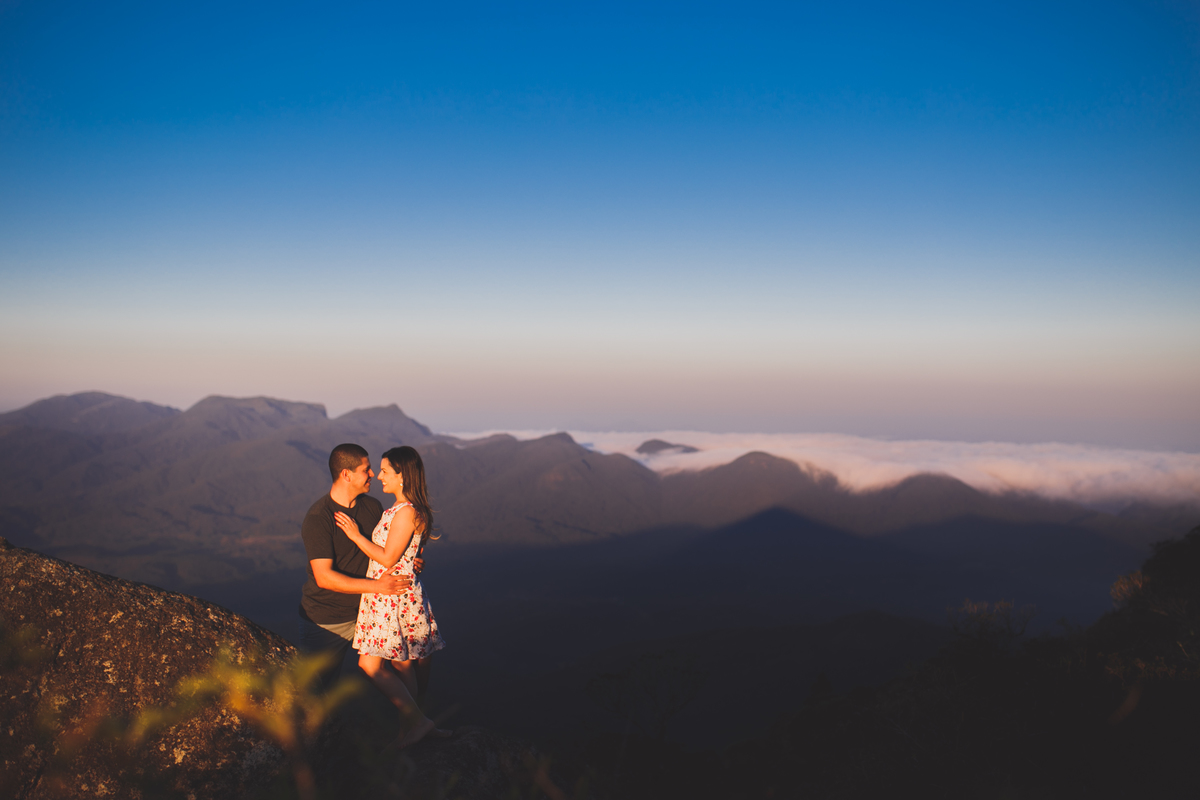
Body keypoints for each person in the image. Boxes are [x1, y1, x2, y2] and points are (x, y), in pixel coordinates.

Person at [335, 445, 447, 749]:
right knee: (401, 665)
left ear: (402, 476)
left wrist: (356, 535)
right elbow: (406, 555)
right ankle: (411, 729)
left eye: (385, 471)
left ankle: (419, 723)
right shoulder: (400, 510)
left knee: (369, 666)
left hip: (391, 596)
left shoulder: (407, 511)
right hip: (391, 593)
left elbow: (387, 557)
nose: (378, 475)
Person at [298, 443, 419, 691]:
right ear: (346, 474)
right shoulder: (319, 518)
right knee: (318, 690)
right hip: (328, 620)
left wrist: (408, 558)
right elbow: (324, 578)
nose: (373, 475)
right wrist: (378, 586)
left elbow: (386, 549)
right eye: (367, 469)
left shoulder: (371, 507)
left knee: (401, 665)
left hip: (370, 608)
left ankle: (415, 725)